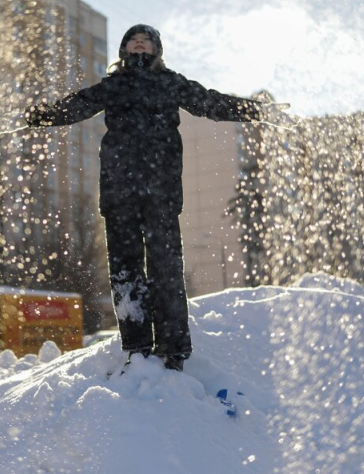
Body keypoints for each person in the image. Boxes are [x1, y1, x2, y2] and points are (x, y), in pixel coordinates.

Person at [24, 24, 271, 372]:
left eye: (146, 40)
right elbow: (78, 105)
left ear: (157, 50)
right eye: (133, 40)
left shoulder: (170, 82)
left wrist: (253, 110)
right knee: (125, 270)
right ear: (124, 50)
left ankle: (173, 348)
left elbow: (209, 102)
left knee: (166, 269)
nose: (139, 44)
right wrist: (42, 116)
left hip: (161, 193)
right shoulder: (113, 85)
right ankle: (136, 346)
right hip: (119, 193)